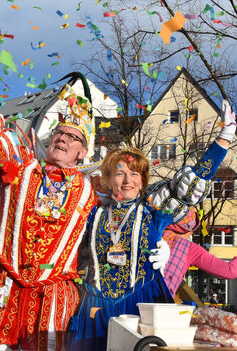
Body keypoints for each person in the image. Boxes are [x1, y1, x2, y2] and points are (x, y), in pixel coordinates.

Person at [0, 18, 100, 350]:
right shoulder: (21, 167)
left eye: (71, 137)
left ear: (83, 151)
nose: (61, 139)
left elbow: (138, 204)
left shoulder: (91, 189)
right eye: (58, 133)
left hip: (50, 306)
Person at [66, 147, 173, 350]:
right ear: (108, 179)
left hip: (140, 302)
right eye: (120, 173)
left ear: (142, 180)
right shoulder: (92, 214)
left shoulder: (153, 214)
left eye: (134, 174)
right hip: (96, 307)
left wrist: (224, 138)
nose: (127, 180)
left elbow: (191, 185)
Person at [157, 101, 237, 297]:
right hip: (159, 308)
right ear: (190, 227)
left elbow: (193, 180)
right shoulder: (189, 249)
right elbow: (229, 271)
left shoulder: (144, 231)